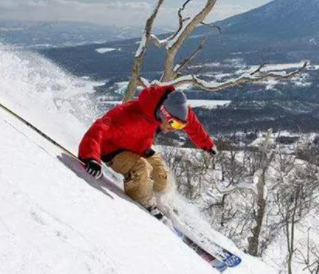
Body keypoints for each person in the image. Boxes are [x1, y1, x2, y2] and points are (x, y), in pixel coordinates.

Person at [78, 85, 217, 217]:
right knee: (141, 168)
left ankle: (160, 201)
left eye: (180, 125)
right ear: (163, 113)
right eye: (173, 123)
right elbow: (98, 130)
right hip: (112, 150)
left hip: (139, 147)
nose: (174, 128)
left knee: (161, 173)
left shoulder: (170, 108)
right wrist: (91, 158)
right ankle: (145, 203)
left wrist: (207, 144)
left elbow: (192, 123)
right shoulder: (127, 115)